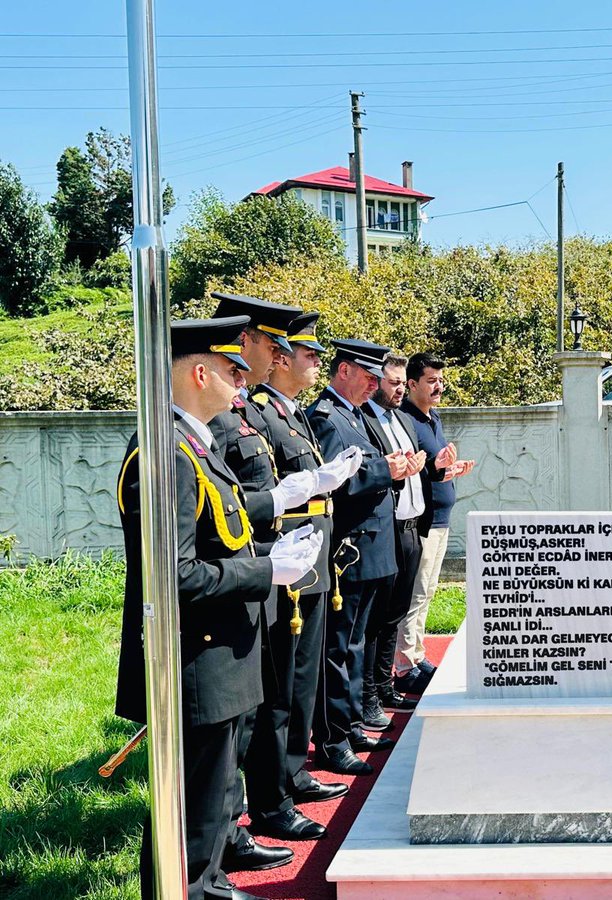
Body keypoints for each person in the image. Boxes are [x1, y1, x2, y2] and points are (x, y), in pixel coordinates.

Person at [114, 316, 322, 900]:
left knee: (211, 794)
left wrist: (270, 552)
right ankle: (192, 889)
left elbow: (218, 540)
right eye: (234, 371)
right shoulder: (166, 455)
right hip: (196, 655)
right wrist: (266, 571)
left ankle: (207, 882)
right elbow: (173, 577)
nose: (242, 382)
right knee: (192, 801)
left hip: (222, 651)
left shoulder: (192, 444)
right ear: (200, 373)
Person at [206, 295, 333, 856]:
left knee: (274, 694)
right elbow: (223, 509)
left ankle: (266, 802)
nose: (279, 356)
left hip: (267, 565)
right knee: (248, 712)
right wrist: (279, 507)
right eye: (272, 345)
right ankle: (241, 821)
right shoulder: (221, 417)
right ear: (247, 342)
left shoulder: (248, 413)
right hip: (242, 574)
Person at [254, 312, 358, 808]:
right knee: (282, 682)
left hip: (312, 554)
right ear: (279, 361)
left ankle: (295, 771)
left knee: (304, 677)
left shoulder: (292, 413)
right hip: (285, 554)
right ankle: (273, 789)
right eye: (308, 353)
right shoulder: (261, 413)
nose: (317, 361)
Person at [306, 339, 413, 776]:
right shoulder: (326, 416)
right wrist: (386, 469)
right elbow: (339, 480)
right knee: (339, 646)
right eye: (368, 376)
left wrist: (394, 468)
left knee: (355, 645)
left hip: (372, 546)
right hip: (351, 549)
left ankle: (349, 726)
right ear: (344, 370)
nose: (374, 385)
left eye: (376, 378)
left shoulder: (354, 414)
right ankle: (333, 738)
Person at [395, 352, 475, 697]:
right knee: (415, 592)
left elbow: (433, 468)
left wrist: (449, 469)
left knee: (427, 591)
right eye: (431, 381)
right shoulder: (405, 420)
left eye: (440, 380)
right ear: (412, 384)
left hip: (441, 519)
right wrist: (435, 468)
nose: (438, 386)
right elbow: (410, 471)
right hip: (422, 521)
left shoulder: (433, 417)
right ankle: (404, 665)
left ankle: (417, 653)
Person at [360, 352, 427, 726]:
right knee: (377, 619)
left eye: (403, 383)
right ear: (376, 382)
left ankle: (385, 685)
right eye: (394, 382)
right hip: (386, 530)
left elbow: (414, 470)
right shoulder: (366, 419)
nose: (400, 389)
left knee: (395, 615)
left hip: (411, 527)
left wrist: (433, 468)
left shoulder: (403, 419)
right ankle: (368, 694)